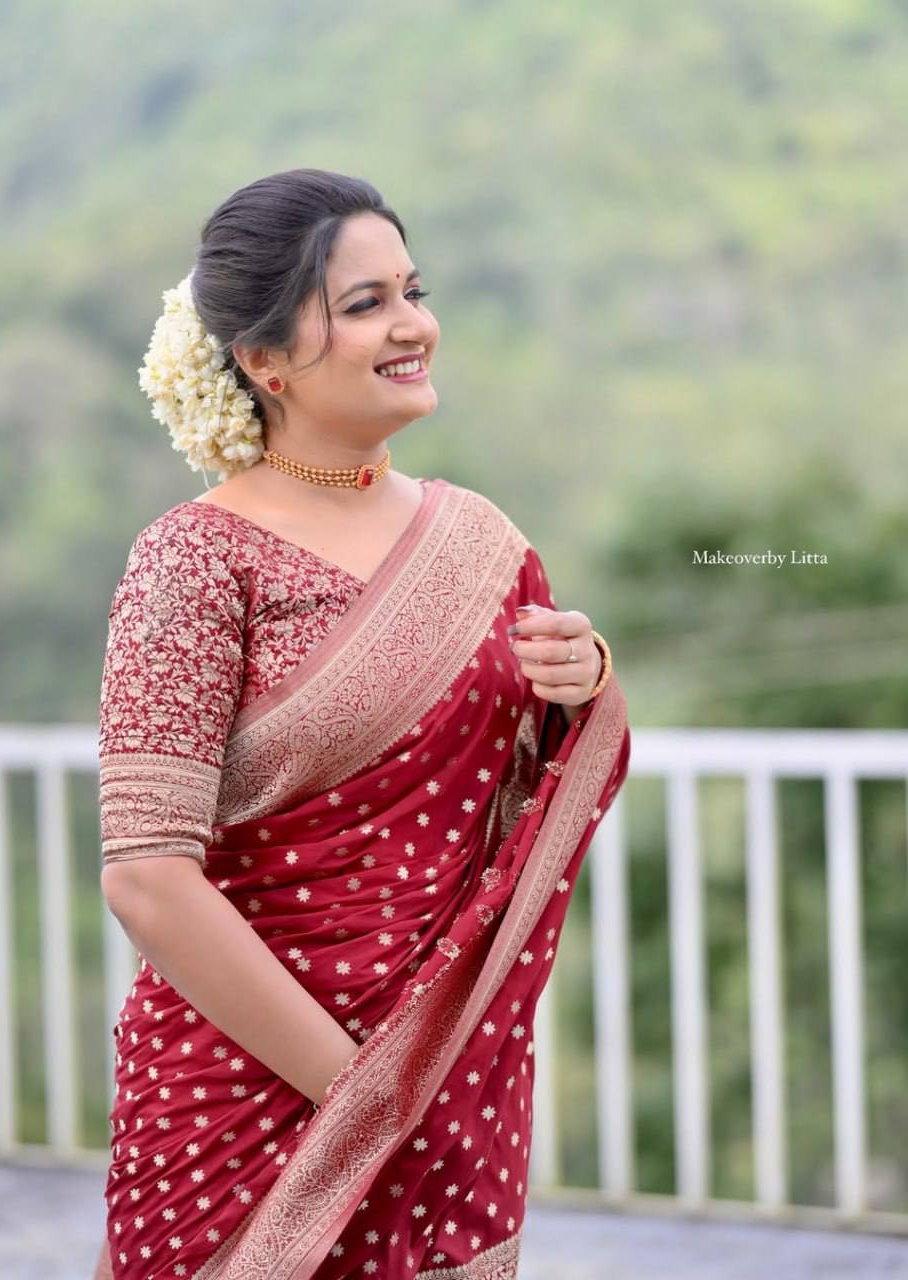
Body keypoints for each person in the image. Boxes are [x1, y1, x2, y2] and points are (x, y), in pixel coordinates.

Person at [93, 168, 630, 1280]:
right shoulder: (195, 560)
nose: (413, 325)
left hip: (442, 1072)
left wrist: (584, 682)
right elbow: (147, 877)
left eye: (413, 291)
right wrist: (366, 1095)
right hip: (240, 1093)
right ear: (264, 359)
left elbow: (520, 795)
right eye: (365, 303)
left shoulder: (480, 540)